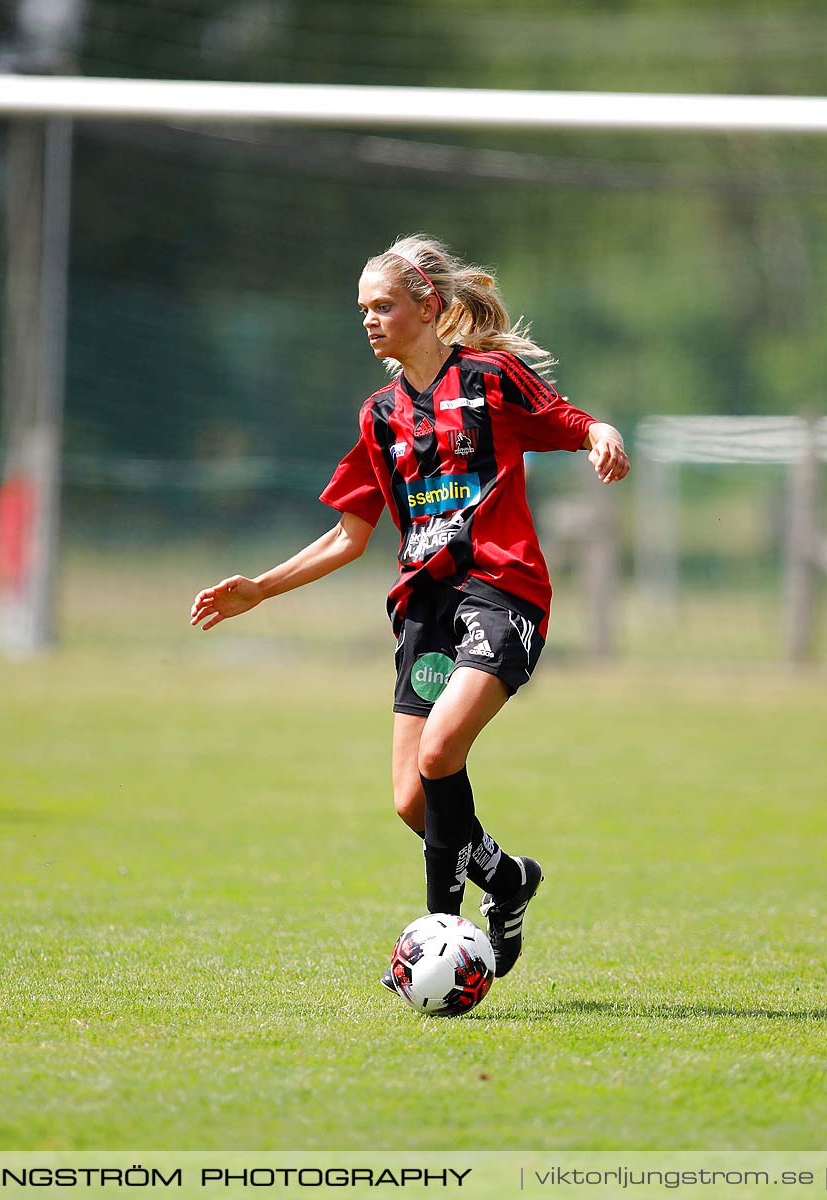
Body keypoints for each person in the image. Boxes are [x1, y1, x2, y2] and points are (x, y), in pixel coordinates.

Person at [189, 234, 628, 988]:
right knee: (408, 801)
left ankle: (443, 938)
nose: (368, 320)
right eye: (362, 309)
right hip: (425, 607)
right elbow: (346, 536)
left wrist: (603, 435)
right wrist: (259, 588)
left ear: (427, 307)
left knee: (438, 755)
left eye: (382, 305)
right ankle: (508, 880)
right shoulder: (380, 416)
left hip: (502, 589)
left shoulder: (490, 380)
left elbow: (569, 419)